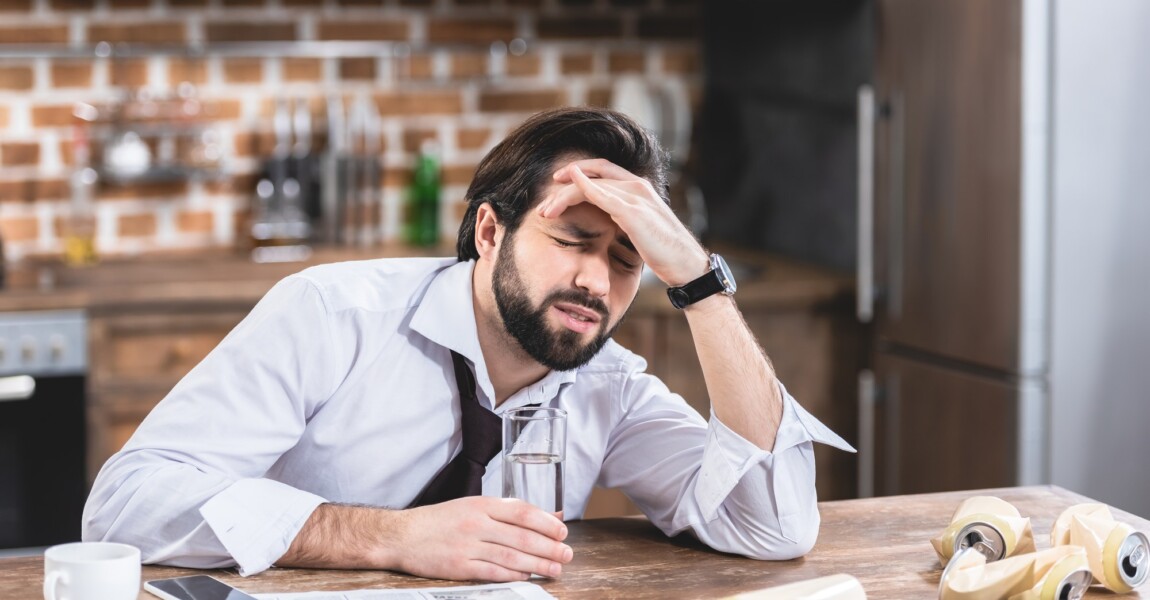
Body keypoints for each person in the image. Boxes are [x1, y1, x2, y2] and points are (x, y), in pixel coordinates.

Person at [83, 106, 852, 582]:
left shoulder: (609, 385)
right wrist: (387, 538)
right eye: (573, 240)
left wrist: (697, 281)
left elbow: (774, 527)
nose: (596, 280)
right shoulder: (333, 313)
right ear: (490, 232)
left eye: (628, 262)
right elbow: (124, 506)